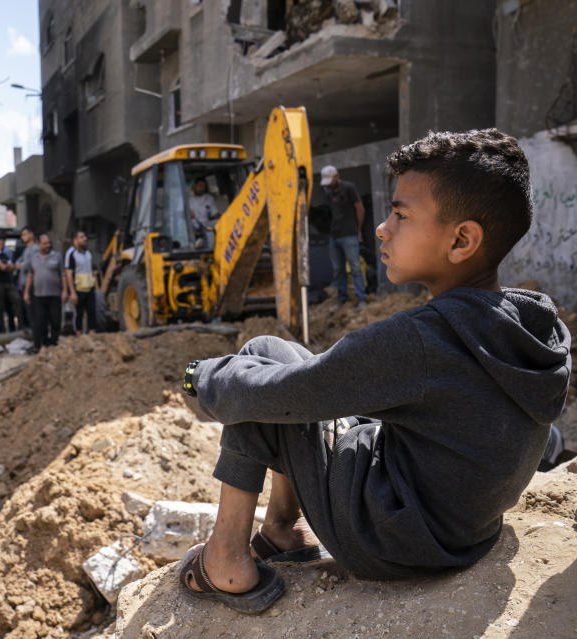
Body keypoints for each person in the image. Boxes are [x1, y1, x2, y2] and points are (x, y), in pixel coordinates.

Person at [178, 129, 571, 615]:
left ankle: (226, 560)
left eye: (401, 215)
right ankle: (284, 529)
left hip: (388, 537)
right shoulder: (529, 330)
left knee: (260, 359)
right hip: (459, 532)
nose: (383, 228)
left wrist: (206, 378)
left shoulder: (421, 340)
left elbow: (290, 392)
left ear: (462, 239)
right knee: (290, 368)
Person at [320, 165, 368, 312]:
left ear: (336, 176)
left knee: (355, 268)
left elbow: (360, 209)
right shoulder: (328, 193)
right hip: (334, 236)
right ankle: (342, 299)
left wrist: (358, 230)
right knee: (338, 270)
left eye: (330, 180)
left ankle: (362, 299)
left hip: (349, 235)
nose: (328, 184)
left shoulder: (349, 188)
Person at [23, 233, 68, 353]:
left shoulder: (57, 256)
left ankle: (53, 343)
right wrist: (26, 292)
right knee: (39, 322)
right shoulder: (34, 258)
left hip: (55, 295)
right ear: (38, 244)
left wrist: (65, 291)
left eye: (49, 243)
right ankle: (39, 345)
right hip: (39, 296)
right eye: (45, 243)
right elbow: (30, 276)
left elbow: (63, 275)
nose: (48, 245)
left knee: (55, 321)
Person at [64, 230, 97, 335]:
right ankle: (79, 336)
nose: (85, 239)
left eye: (85, 236)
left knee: (92, 312)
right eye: (82, 237)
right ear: (75, 240)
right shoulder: (71, 254)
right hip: (78, 289)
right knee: (79, 314)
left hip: (90, 287)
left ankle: (92, 334)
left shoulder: (88, 252)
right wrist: (72, 292)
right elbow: (68, 274)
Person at [0, 233, 22, 333]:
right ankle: (2, 330)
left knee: (15, 303)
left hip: (8, 283)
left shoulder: (4, 255)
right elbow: (3, 267)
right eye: (2, 243)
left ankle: (18, 327)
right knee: (0, 308)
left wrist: (9, 267)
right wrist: (9, 267)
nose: (3, 245)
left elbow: (10, 267)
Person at [15, 226, 40, 330]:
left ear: (31, 234)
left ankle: (35, 334)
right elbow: (17, 263)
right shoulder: (26, 249)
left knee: (32, 311)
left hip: (31, 284)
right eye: (22, 235)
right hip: (24, 283)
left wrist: (21, 265)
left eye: (24, 234)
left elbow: (28, 265)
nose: (22, 237)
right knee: (27, 310)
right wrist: (19, 265)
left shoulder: (35, 249)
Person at [187, 177, 221, 244]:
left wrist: (222, 216)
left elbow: (214, 213)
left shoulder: (208, 198)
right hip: (192, 228)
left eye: (203, 187)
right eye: (200, 186)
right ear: (194, 186)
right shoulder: (187, 199)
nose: (202, 189)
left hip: (206, 226)